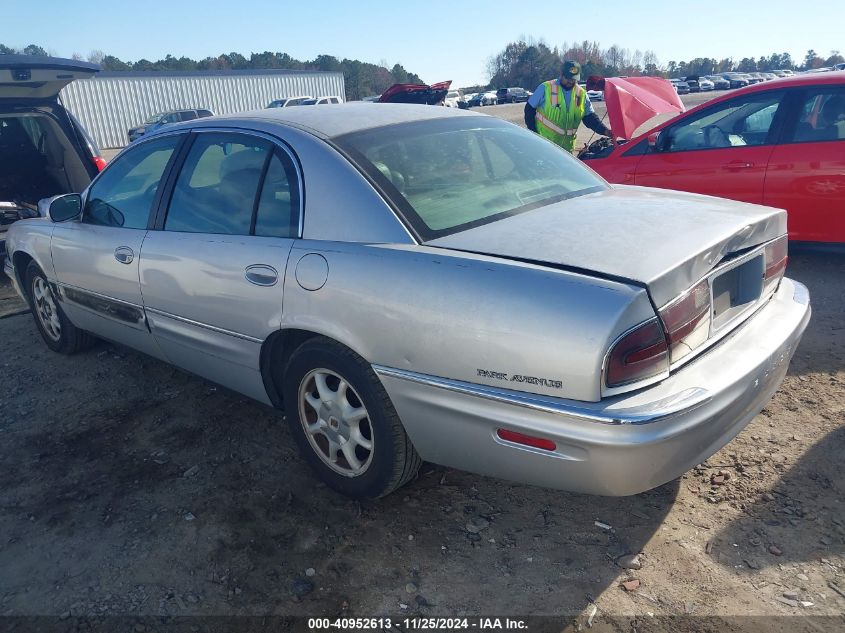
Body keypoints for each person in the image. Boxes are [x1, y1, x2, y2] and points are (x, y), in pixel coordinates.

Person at [524, 61, 613, 153]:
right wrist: (534, 134)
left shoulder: (581, 94)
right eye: (568, 78)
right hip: (545, 147)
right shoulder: (545, 88)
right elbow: (529, 110)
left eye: (574, 79)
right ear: (561, 74)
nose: (570, 81)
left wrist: (605, 131)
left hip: (567, 152)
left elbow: (590, 118)